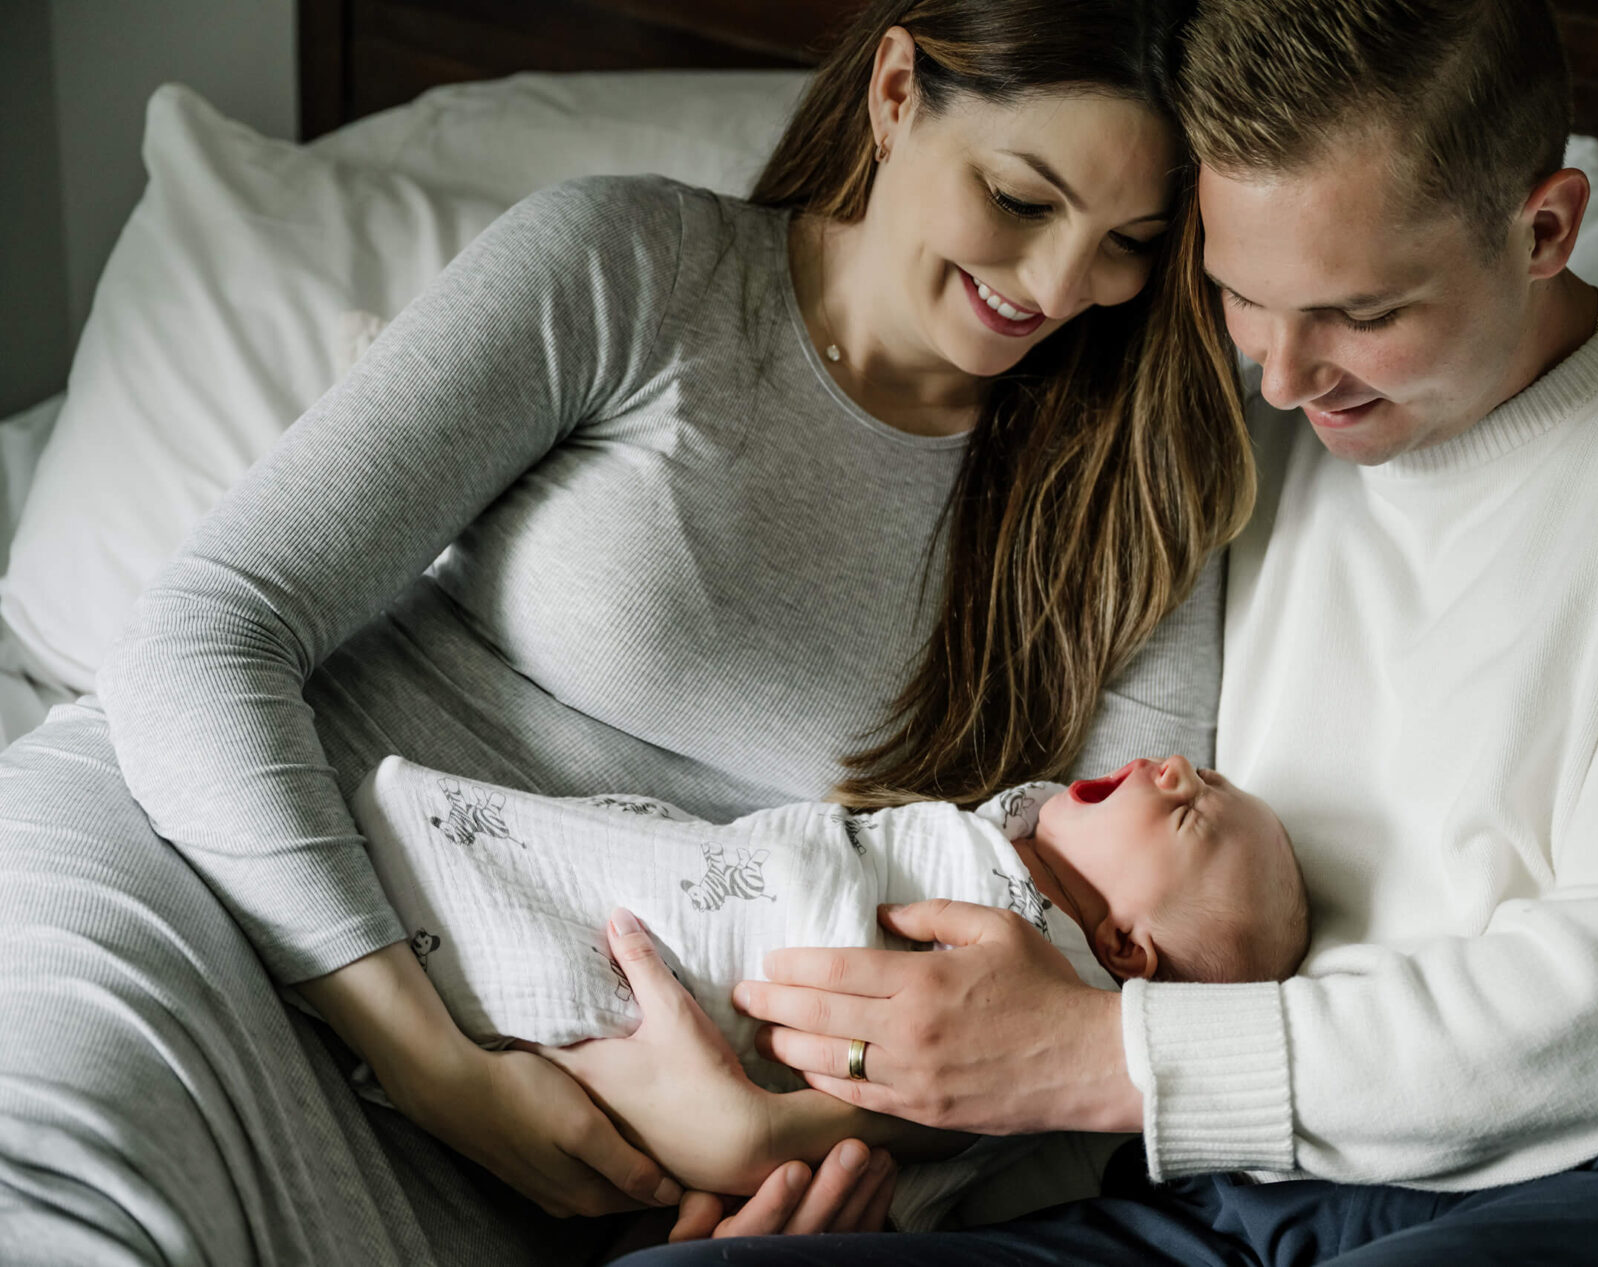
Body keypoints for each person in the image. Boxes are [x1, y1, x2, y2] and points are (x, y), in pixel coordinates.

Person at [639, 0, 1598, 1262]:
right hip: (1231, 1189)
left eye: (1362, 312)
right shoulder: (1238, 436)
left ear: (1545, 228)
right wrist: (819, 1141)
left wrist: (1097, 1058)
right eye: (1241, 293)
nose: (1287, 375)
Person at [0, 1, 1256, 1262]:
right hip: (215, 882)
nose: (1056, 288)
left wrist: (776, 1138)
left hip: (588, 1160)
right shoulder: (637, 268)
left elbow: (1120, 998)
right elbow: (209, 630)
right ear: (892, 94)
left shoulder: (1133, 497)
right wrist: (434, 1064)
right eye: (1019, 198)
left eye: (1128, 243)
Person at [346, 752, 1305, 1217]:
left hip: (749, 1002)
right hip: (728, 897)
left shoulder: (1047, 972)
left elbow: (967, 1111)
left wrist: (773, 1134)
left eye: (1190, 817)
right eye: (1202, 774)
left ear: (1126, 952)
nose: (1176, 768)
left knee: (598, 949)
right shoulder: (1006, 830)